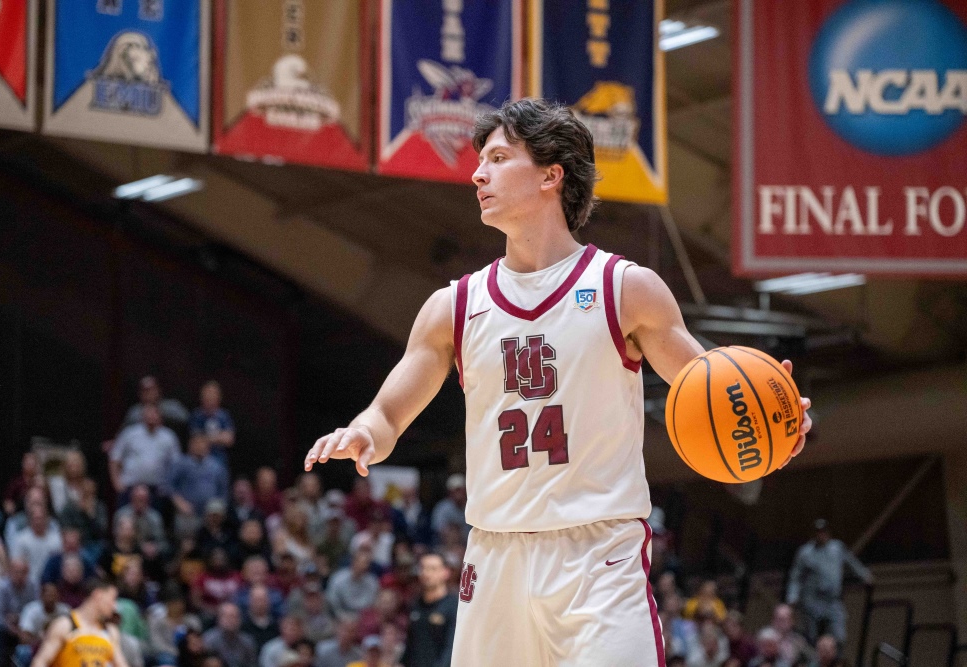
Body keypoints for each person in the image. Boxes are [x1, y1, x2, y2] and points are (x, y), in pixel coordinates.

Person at [303, 98, 813, 666]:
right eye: (480, 160)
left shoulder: (626, 288)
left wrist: (774, 416)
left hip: (600, 557)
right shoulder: (454, 306)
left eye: (498, 157)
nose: (477, 173)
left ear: (551, 174)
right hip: (495, 558)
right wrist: (364, 432)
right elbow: (388, 415)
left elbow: (710, 387)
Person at [786, 519, 872, 648]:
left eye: (823, 532)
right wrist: (792, 596)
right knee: (812, 638)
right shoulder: (805, 552)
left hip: (833, 600)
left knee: (839, 637)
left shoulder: (837, 548)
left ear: (828, 533)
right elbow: (795, 577)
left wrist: (865, 575)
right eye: (818, 532)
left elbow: (851, 562)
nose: (821, 535)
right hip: (813, 600)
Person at [30, 577, 130, 667]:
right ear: (98, 595)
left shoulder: (110, 631)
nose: (114, 606)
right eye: (112, 599)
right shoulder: (65, 625)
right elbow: (40, 662)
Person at [110, 404, 181, 505]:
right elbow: (114, 458)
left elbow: (175, 464)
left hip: (157, 490)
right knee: (125, 519)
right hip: (130, 488)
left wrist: (168, 487)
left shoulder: (169, 437)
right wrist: (117, 483)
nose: (151, 416)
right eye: (148, 413)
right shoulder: (129, 433)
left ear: (160, 416)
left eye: (154, 413)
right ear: (142, 415)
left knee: (155, 520)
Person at [169, 434, 229, 538]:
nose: (199, 446)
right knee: (187, 544)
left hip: (211, 514)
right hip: (187, 513)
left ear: (208, 446)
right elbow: (168, 485)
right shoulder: (181, 464)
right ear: (190, 445)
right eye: (196, 443)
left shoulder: (217, 466)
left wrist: (217, 509)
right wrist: (179, 503)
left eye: (202, 443)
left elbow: (223, 490)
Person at [402, 553, 456, 667]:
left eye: (433, 569)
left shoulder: (453, 606)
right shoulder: (415, 604)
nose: (427, 573)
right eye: (423, 568)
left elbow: (451, 648)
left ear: (446, 572)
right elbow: (410, 644)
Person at [0, 559, 38, 667]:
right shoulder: (0, 586)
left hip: (24, 627)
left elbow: (36, 610)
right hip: (2, 628)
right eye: (16, 572)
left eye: (23, 572)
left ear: (28, 573)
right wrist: (15, 629)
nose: (20, 575)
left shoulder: (32, 585)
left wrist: (20, 621)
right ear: (10, 572)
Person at [16, 583, 71, 665]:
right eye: (48, 595)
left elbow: (75, 633)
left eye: (54, 595)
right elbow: (24, 638)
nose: (51, 599)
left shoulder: (65, 611)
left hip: (59, 645)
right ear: (41, 596)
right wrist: (41, 641)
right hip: (36, 644)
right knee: (22, 651)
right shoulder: (31, 610)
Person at [190, 381, 236, 470]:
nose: (209, 397)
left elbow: (229, 439)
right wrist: (219, 437)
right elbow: (196, 440)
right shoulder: (197, 416)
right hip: (199, 461)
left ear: (219, 397)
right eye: (207, 394)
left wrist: (206, 438)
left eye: (212, 394)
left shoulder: (224, 416)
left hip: (219, 460)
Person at [122, 376, 190, 432]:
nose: (149, 394)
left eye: (152, 390)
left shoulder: (171, 405)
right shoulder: (135, 412)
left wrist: (160, 414)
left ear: (158, 390)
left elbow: (186, 419)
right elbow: (124, 431)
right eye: (145, 391)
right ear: (140, 394)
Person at [202, 603, 257, 667]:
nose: (231, 620)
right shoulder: (208, 640)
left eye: (234, 617)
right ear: (219, 619)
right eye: (227, 617)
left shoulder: (247, 641)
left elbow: (252, 664)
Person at [429, 476, 468, 547]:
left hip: (467, 546)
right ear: (450, 492)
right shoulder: (442, 508)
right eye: (455, 490)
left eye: (460, 490)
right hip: (444, 546)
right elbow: (438, 530)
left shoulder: (471, 507)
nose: (458, 493)